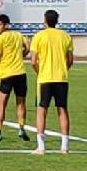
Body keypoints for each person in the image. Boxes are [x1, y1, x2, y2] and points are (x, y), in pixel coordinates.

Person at [30, 9, 73, 155]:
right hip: (61, 78)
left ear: (45, 20)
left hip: (45, 79)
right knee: (62, 109)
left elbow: (33, 61)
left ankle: (41, 147)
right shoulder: (65, 36)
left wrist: (40, 72)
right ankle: (64, 147)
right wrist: (63, 70)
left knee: (42, 110)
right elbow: (70, 60)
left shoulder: (39, 36)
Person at [0, 14, 30, 143]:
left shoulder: (0, 38)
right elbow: (27, 46)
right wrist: (22, 55)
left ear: (6, 25)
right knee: (21, 103)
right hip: (20, 74)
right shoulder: (18, 35)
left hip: (6, 74)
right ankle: (21, 128)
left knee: (1, 104)